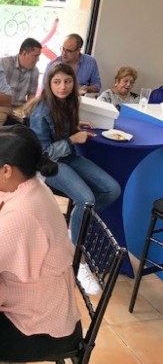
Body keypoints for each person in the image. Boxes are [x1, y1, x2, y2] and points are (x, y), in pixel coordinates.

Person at [0, 125, 82, 364]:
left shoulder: (22, 212)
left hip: (39, 325)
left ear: (6, 170)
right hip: (37, 300)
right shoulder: (24, 185)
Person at [29, 62, 120, 294]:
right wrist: (73, 139)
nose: (63, 86)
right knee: (86, 200)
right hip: (47, 164)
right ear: (49, 84)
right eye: (57, 81)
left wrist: (74, 127)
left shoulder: (68, 102)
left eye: (67, 81)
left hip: (68, 157)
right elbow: (42, 153)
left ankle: (73, 227)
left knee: (112, 189)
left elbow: (61, 130)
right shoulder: (41, 111)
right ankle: (76, 260)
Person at [0, 37, 42, 125]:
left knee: (29, 126)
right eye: (35, 56)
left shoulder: (35, 71)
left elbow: (31, 96)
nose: (37, 60)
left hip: (20, 107)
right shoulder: (4, 63)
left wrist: (27, 112)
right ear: (24, 53)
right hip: (2, 104)